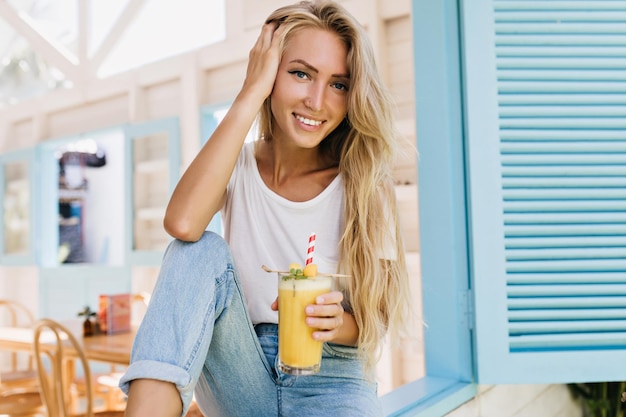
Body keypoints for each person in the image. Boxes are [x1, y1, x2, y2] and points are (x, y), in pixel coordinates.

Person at [119, 1, 411, 416]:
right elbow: (182, 224)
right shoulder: (236, 165)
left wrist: (337, 323)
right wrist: (249, 93)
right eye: (300, 73)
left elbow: (377, 320)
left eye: (338, 84)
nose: (316, 100)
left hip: (331, 379)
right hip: (241, 368)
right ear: (269, 71)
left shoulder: (365, 185)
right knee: (197, 250)